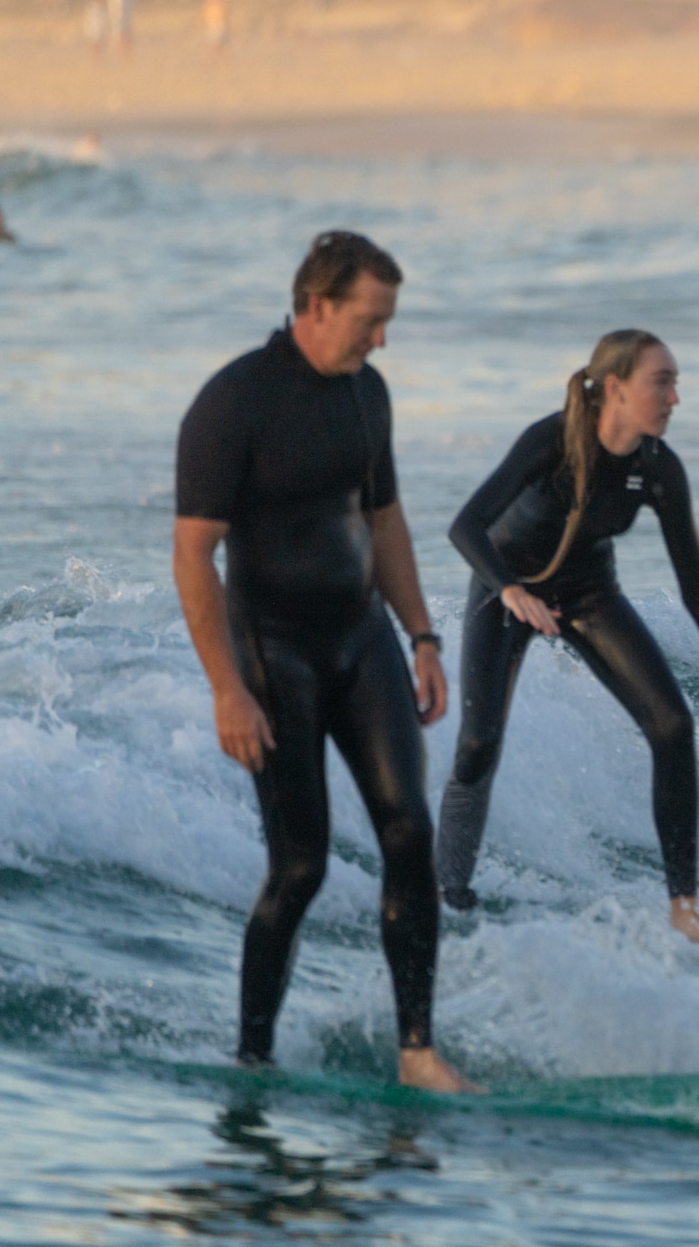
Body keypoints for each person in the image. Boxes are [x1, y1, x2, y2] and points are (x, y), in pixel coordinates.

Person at [172, 231, 471, 1093]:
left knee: (409, 832)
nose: (381, 339)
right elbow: (194, 555)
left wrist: (421, 633)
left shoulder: (366, 393)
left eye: (387, 322)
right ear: (315, 305)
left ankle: (417, 1050)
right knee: (301, 864)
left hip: (361, 637)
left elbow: (384, 520)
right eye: (370, 321)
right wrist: (228, 689)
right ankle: (253, 1058)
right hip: (274, 655)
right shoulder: (235, 402)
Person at [439, 331, 699, 943]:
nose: (675, 397)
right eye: (663, 381)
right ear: (617, 389)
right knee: (478, 744)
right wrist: (510, 590)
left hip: (589, 592)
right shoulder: (553, 440)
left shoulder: (658, 468)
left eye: (677, 382)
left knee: (673, 727)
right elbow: (466, 525)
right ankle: (449, 894)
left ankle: (684, 910)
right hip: (507, 586)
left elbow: (698, 590)